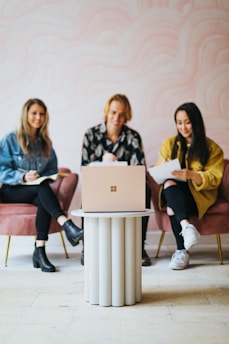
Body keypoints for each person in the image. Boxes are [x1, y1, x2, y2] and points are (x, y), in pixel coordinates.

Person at [0, 98, 83, 273]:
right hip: (11, 190)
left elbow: (52, 169)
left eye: (42, 114)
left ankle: (40, 250)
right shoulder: (10, 139)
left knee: (42, 193)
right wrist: (23, 176)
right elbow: (2, 170)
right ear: (26, 115)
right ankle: (67, 225)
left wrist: (42, 176)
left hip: (36, 189)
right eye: (34, 113)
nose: (39, 117)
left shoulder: (46, 143)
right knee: (42, 189)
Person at [81, 93, 152, 266]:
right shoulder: (90, 135)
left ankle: (139, 247)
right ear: (107, 112)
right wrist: (101, 163)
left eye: (121, 114)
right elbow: (84, 169)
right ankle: (87, 247)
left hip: (125, 188)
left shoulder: (133, 137)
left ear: (127, 116)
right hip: (98, 187)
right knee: (87, 193)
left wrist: (121, 169)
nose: (117, 118)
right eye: (113, 112)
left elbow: (139, 169)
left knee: (146, 189)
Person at [155, 102, 224, 270]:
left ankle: (181, 251)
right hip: (174, 193)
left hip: (198, 197)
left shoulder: (212, 148)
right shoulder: (169, 144)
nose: (183, 127)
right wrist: (163, 167)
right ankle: (186, 227)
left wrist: (192, 175)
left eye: (187, 122)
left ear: (196, 122)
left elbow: (215, 178)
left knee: (172, 206)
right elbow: (158, 174)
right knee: (170, 185)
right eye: (179, 123)